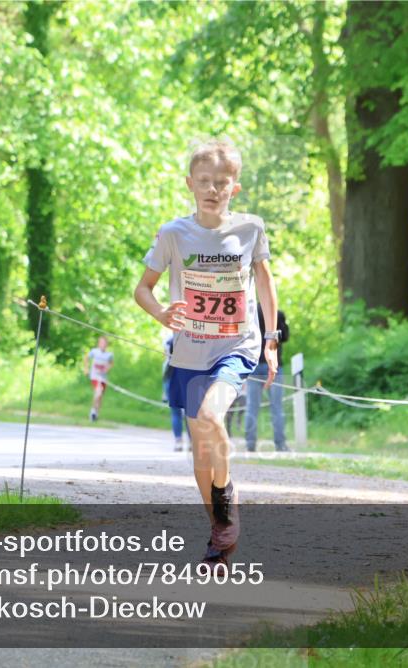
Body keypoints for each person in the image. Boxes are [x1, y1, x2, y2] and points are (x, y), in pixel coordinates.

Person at [135, 138, 280, 570]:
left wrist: (271, 338)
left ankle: (225, 494)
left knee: (212, 419)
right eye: (204, 182)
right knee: (201, 448)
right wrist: (161, 312)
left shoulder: (251, 229)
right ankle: (220, 534)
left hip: (236, 346)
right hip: (189, 352)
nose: (212, 189)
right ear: (189, 184)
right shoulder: (173, 234)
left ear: (234, 187)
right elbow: (143, 288)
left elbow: (266, 282)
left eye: (221, 182)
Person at [245, 308, 290, 452]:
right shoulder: (278, 314)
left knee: (252, 406)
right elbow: (285, 336)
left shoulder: (250, 313)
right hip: (274, 364)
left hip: (254, 364)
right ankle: (280, 444)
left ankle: (250, 444)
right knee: (277, 407)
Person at [163, 333, 189, 452]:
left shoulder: (168, 340)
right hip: (185, 376)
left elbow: (165, 362)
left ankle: (179, 441)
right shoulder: (192, 337)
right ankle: (190, 441)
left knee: (176, 411)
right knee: (189, 412)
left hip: (171, 375)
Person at [83, 336, 114, 422]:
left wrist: (107, 368)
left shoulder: (109, 355)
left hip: (103, 378)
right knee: (98, 391)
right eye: (101, 343)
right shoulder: (94, 352)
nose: (103, 345)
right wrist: (86, 368)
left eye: (104, 343)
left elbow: (111, 363)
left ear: (107, 345)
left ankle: (96, 414)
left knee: (100, 396)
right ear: (98, 344)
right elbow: (86, 358)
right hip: (95, 377)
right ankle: (92, 411)